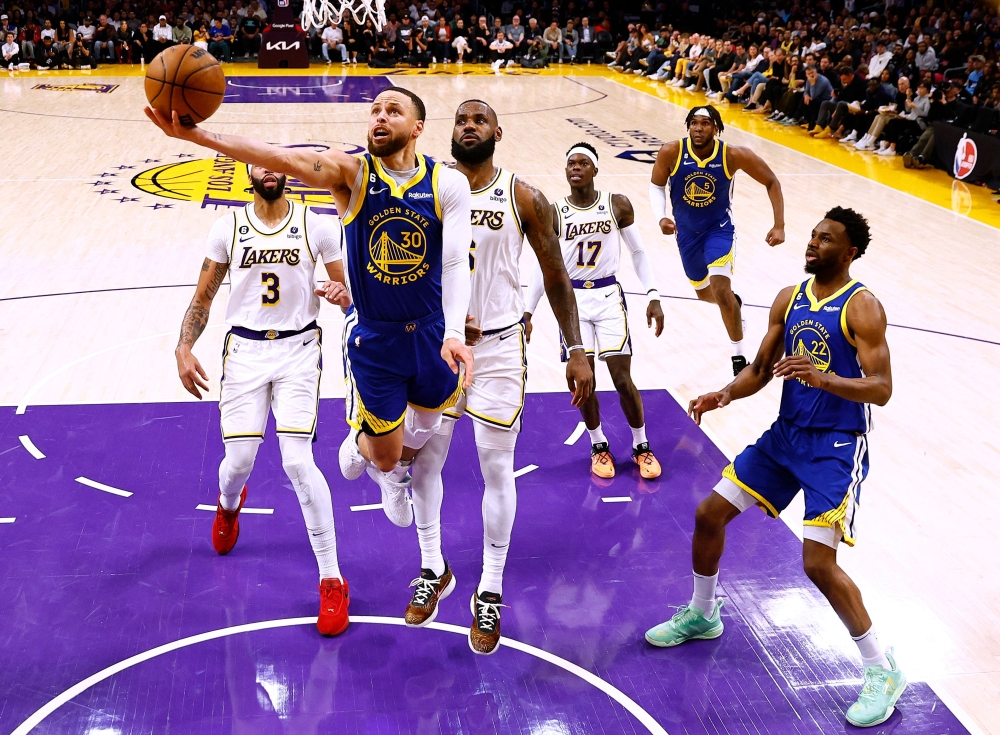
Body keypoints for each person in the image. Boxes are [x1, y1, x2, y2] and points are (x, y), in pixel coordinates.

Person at [146, 87, 474, 529]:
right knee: (386, 452)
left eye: (392, 111)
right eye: (374, 109)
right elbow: (282, 158)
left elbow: (454, 262)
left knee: (426, 426)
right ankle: (378, 457)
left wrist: (454, 330)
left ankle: (393, 469)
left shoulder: (446, 183)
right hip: (377, 337)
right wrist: (201, 137)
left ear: (417, 127)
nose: (379, 116)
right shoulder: (352, 173)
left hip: (432, 330)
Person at [645, 207, 905, 729]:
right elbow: (762, 370)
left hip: (835, 445)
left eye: (825, 239)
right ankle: (704, 612)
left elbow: (882, 389)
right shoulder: (791, 298)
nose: (812, 244)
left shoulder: (863, 307)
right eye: (812, 236)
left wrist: (823, 377)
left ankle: (882, 669)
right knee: (708, 514)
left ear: (850, 251)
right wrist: (724, 393)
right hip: (784, 437)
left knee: (816, 564)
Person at [403, 100, 593, 655]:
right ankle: (433, 567)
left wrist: (576, 347)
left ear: (497, 133)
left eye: (478, 120)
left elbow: (556, 273)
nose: (467, 126)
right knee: (426, 459)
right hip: (442, 347)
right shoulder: (431, 186)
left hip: (501, 347)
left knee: (495, 465)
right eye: (459, 119)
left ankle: (488, 587)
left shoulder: (524, 196)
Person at [175, 163, 350, 637]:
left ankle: (331, 580)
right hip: (246, 353)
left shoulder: (317, 225)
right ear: (248, 172)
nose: (269, 170)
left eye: (276, 163)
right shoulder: (227, 227)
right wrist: (184, 346)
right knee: (238, 462)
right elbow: (203, 298)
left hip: (298, 349)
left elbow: (348, 294)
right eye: (260, 164)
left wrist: (341, 293)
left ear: (286, 173)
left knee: (298, 462)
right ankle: (229, 504)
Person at [526, 142, 664, 480]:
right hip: (571, 302)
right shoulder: (554, 212)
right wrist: (528, 312)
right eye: (570, 163)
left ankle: (641, 445)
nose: (575, 167)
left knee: (621, 378)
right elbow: (543, 266)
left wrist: (653, 294)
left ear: (595, 169)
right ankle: (598, 445)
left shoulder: (616, 205)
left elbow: (639, 252)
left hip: (607, 296)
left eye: (582, 163)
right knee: (584, 380)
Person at [650, 105, 784, 376]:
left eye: (705, 123)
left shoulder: (733, 155)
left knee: (720, 287)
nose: (698, 128)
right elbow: (656, 186)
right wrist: (660, 217)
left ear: (716, 128)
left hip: (719, 230)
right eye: (694, 123)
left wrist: (779, 224)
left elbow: (771, 181)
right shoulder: (671, 151)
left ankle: (738, 355)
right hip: (686, 234)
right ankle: (734, 303)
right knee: (704, 294)